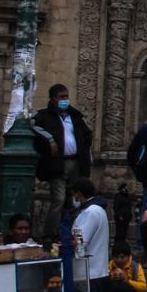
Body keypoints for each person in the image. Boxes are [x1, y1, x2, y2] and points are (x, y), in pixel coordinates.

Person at [31, 84, 95, 220]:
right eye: (61, 97)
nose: (65, 99)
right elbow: (32, 126)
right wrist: (50, 140)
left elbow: (87, 135)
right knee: (59, 199)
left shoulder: (75, 117)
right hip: (57, 165)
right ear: (53, 99)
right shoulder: (44, 116)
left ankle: (73, 230)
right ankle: (51, 234)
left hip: (75, 163)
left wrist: (86, 155)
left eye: (66, 96)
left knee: (74, 201)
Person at [67, 178, 112, 292]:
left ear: (79, 193)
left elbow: (79, 240)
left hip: (90, 272)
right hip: (95, 270)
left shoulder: (91, 212)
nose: (73, 199)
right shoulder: (95, 211)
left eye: (74, 194)